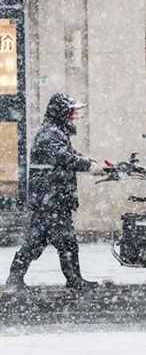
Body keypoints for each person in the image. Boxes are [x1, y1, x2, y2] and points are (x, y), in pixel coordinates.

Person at [6, 93, 106, 292]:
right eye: (71, 112)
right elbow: (63, 157)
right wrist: (88, 166)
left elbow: (70, 154)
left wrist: (91, 162)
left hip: (51, 199)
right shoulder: (50, 133)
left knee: (40, 241)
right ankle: (72, 280)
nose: (73, 116)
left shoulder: (56, 132)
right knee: (59, 241)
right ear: (61, 113)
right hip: (50, 200)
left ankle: (16, 279)